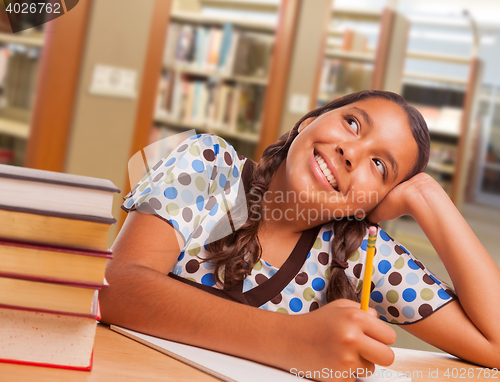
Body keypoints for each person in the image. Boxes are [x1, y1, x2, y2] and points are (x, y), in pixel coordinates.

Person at [99, 90, 500, 381]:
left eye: (379, 166)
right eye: (353, 123)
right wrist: (292, 341)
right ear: (308, 122)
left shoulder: (359, 254)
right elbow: (117, 287)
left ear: (373, 204)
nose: (351, 153)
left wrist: (427, 198)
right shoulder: (207, 165)